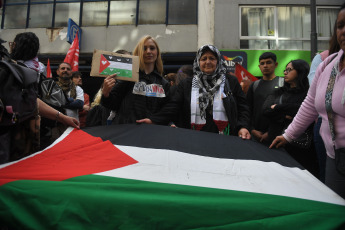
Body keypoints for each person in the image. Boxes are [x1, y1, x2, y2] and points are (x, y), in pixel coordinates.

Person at [270, 3, 345, 198]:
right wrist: (288, 135)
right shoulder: (328, 64)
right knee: (335, 210)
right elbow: (310, 104)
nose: (343, 31)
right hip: (333, 155)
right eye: (340, 25)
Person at [137, 45, 251, 138]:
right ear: (198, 62)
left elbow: (243, 107)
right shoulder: (187, 84)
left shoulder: (230, 81)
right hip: (194, 138)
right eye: (203, 59)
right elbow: (173, 106)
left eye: (212, 58)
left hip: (226, 138)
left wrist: (243, 127)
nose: (208, 62)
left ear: (218, 61)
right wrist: (154, 120)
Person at [0, 32, 79, 164]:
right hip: (23, 140)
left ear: (15, 46)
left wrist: (63, 118)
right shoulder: (31, 72)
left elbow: (33, 101)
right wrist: (63, 117)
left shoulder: (12, 70)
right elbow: (34, 102)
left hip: (16, 140)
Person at [263, 59, 318, 177]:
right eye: (285, 70)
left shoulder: (309, 93)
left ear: (300, 71)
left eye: (289, 70)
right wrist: (285, 116)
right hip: (276, 142)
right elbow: (266, 110)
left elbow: (305, 110)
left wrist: (279, 107)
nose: (285, 73)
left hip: (300, 147)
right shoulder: (279, 92)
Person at [101, 35, 170, 124]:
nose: (148, 51)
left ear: (157, 52)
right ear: (138, 52)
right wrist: (106, 93)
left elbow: (166, 110)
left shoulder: (163, 83)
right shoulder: (128, 77)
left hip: (152, 132)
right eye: (144, 48)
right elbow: (112, 104)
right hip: (127, 131)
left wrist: (155, 120)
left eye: (152, 48)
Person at [307, 21, 340, 182]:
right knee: (328, 178)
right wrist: (288, 135)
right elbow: (311, 100)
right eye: (340, 26)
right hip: (325, 127)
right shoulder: (323, 60)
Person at [246, 52, 283, 145]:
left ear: (276, 64)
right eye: (262, 63)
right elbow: (247, 110)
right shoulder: (254, 85)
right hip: (255, 136)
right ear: (259, 66)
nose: (265, 66)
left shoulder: (283, 84)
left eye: (268, 62)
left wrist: (271, 132)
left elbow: (285, 112)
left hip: (278, 136)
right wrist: (252, 130)